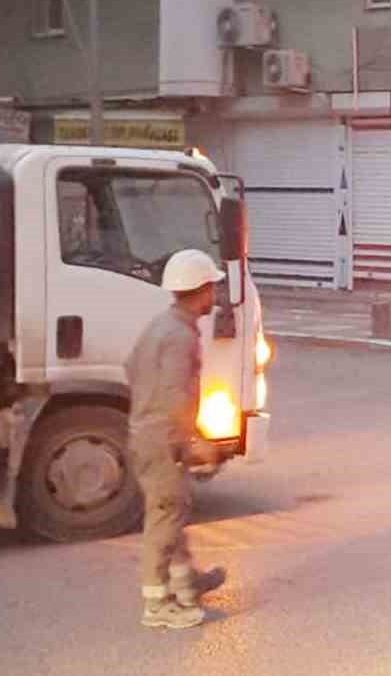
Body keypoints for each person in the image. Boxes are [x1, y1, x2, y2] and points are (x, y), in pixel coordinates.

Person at [125, 249, 229, 629]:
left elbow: (131, 369)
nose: (214, 296)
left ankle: (186, 583)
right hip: (163, 438)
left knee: (174, 507)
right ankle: (158, 604)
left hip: (149, 432)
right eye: (212, 289)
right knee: (164, 516)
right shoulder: (181, 336)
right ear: (200, 291)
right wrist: (193, 438)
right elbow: (175, 395)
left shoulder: (161, 325)